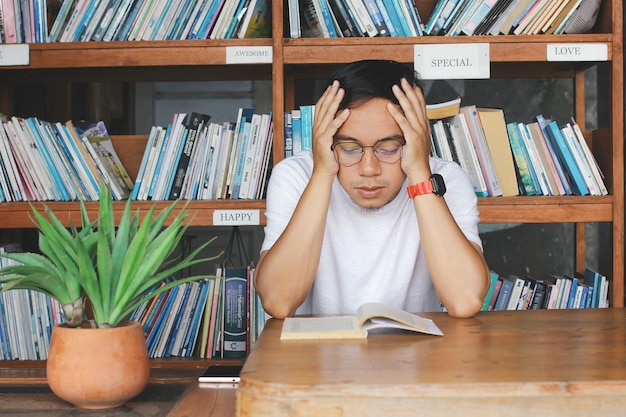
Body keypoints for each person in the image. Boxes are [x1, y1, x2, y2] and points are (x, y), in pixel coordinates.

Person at [254, 59, 490, 319]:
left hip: (420, 357)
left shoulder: (444, 179)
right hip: (319, 357)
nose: (369, 169)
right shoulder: (296, 176)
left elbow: (465, 300)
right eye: (350, 148)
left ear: (416, 139)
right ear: (327, 141)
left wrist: (420, 173)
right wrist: (322, 173)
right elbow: (278, 301)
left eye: (388, 149)